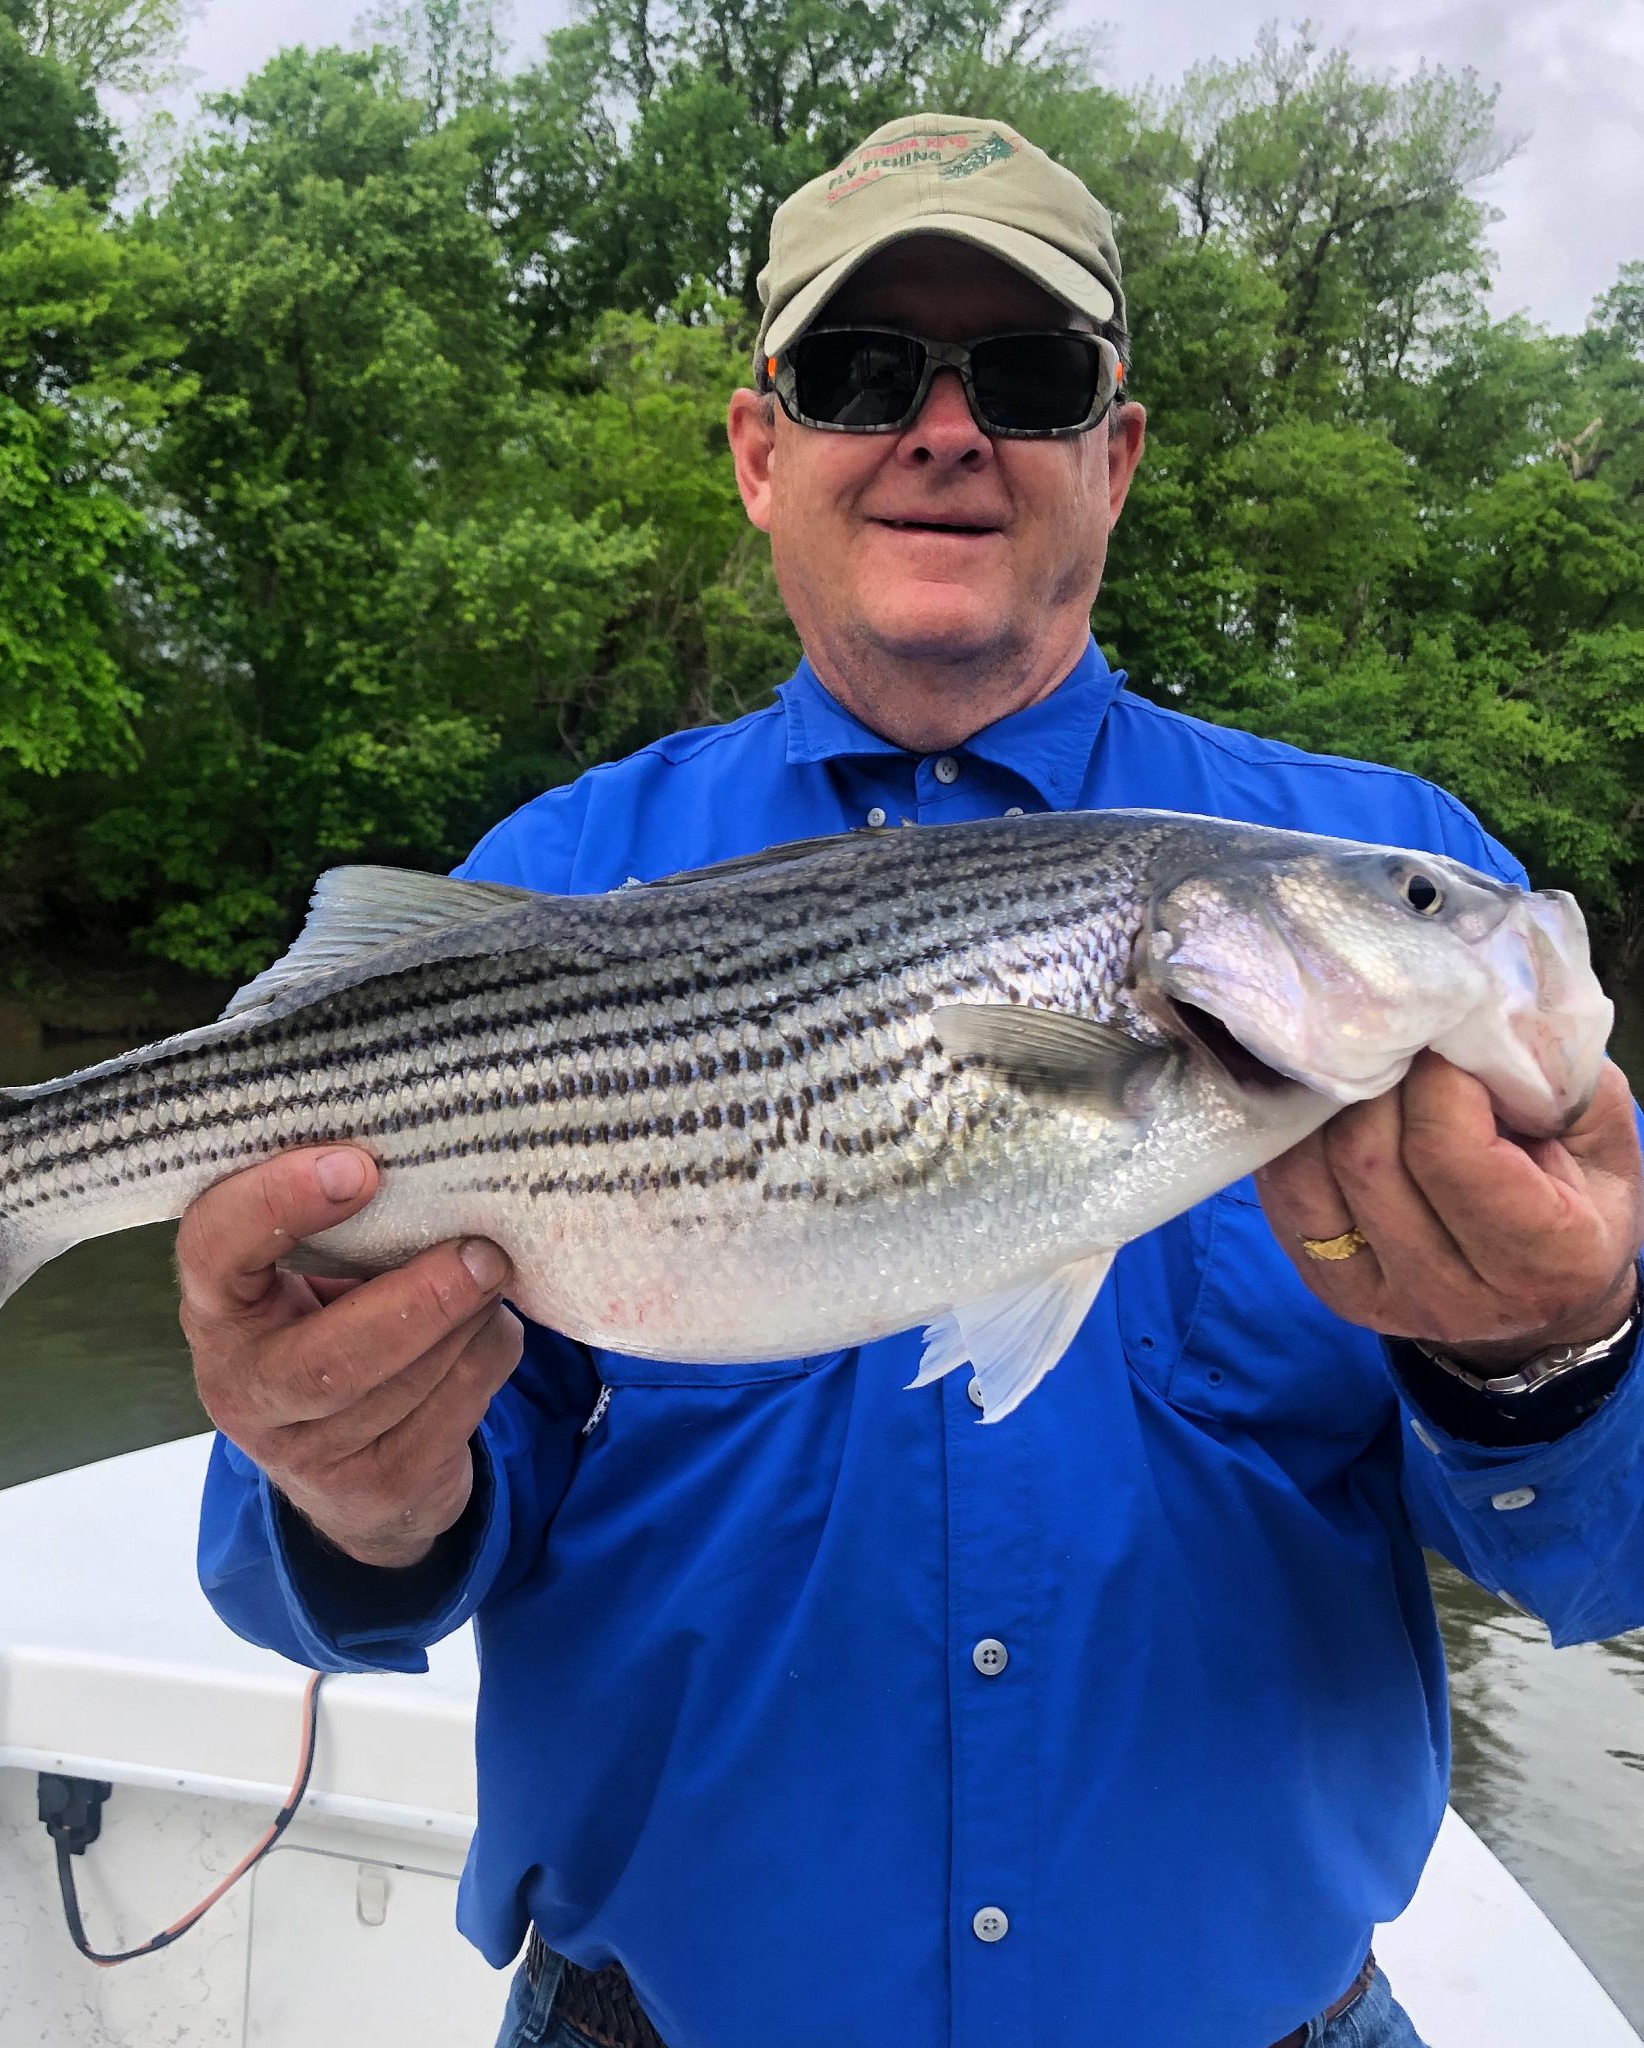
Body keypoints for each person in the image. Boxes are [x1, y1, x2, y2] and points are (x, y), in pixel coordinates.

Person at [183, 115, 1644, 2048]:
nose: (946, 430)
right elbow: (291, 1584)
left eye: (1026, 379)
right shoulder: (539, 890)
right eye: (864, 374)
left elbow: (1604, 1565)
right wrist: (349, 1492)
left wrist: (1546, 1355)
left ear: (1114, 458)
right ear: (759, 450)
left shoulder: (1385, 865)